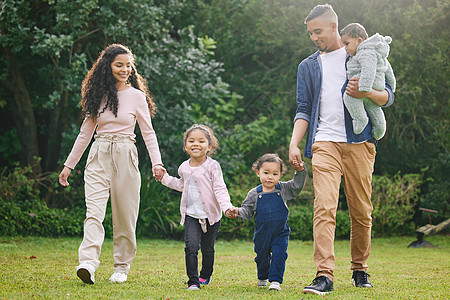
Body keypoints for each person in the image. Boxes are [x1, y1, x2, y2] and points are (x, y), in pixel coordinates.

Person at [288, 4, 395, 295]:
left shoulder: (361, 54)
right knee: (324, 206)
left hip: (359, 142)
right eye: (310, 33)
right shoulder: (307, 66)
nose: (313, 37)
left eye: (318, 31)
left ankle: (359, 268)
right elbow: (304, 108)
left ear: (334, 27)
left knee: (361, 211)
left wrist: (366, 93)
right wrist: (294, 142)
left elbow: (387, 95)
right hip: (324, 143)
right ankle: (324, 275)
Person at [59, 44, 165, 284]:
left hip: (126, 154)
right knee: (93, 213)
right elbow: (85, 133)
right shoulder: (98, 95)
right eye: (119, 64)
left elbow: (148, 133)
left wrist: (157, 163)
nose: (125, 69)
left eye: (128, 65)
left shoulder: (137, 97)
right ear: (108, 66)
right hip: (99, 154)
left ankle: (121, 267)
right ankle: (88, 262)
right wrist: (69, 165)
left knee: (125, 215)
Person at [157, 124, 236, 291]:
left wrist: (227, 207)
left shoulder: (212, 166)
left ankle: (205, 274)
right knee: (191, 247)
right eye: (191, 141)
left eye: (201, 141)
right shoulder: (184, 167)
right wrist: (164, 178)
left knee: (208, 250)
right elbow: (180, 185)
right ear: (185, 146)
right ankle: (193, 281)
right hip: (191, 215)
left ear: (210, 146)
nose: (196, 144)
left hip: (212, 216)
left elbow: (220, 188)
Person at [228, 153, 306, 291]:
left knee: (279, 254)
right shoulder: (254, 193)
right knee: (261, 257)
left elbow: (296, 186)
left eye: (275, 173)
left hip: (280, 231)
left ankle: (275, 281)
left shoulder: (283, 189)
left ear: (280, 175)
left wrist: (300, 171)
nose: (270, 177)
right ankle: (263, 277)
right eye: (266, 173)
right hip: (262, 233)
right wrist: (237, 212)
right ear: (258, 172)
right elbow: (246, 212)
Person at [341, 23, 396, 140]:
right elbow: (388, 69)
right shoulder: (376, 52)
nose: (345, 48)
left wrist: (365, 88)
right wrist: (392, 84)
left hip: (365, 85)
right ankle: (380, 129)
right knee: (374, 108)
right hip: (378, 86)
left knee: (348, 97)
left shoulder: (365, 52)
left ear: (359, 41)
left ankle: (360, 119)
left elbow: (368, 69)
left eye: (347, 44)